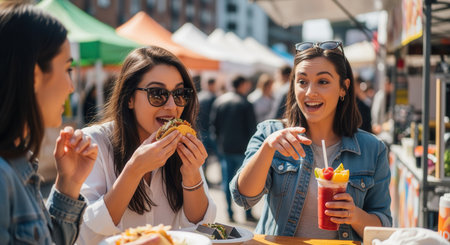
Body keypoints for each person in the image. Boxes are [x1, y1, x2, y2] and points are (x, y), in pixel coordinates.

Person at [230, 41, 392, 241]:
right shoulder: (270, 133)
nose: (310, 92)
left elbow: (383, 227)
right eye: (302, 82)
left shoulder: (372, 149)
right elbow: (243, 197)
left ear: (344, 87)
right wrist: (267, 149)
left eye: (323, 82)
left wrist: (355, 215)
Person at [77, 46, 216, 244]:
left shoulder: (183, 144)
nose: (171, 106)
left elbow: (201, 228)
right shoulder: (94, 142)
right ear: (130, 98)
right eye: (157, 93)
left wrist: (191, 174)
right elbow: (87, 231)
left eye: (179, 93)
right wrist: (134, 170)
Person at [0, 3, 99, 244]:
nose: (71, 86)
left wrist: (69, 182)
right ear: (34, 75)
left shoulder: (19, 161)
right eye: (67, 69)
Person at [210, 75, 257, 223]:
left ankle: (230, 213)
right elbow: (252, 129)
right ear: (242, 84)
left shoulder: (220, 101)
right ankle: (247, 213)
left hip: (225, 149)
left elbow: (214, 126)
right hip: (243, 149)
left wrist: (219, 144)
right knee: (247, 182)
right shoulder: (245, 103)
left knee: (227, 181)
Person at [197, 77, 219, 179]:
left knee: (202, 157)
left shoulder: (199, 96)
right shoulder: (214, 98)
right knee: (217, 157)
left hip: (200, 130)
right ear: (212, 85)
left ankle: (203, 178)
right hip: (210, 131)